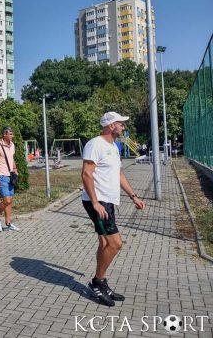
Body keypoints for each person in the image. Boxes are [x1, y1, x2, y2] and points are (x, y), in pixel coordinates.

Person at [81, 111, 146, 306]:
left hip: (108, 201)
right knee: (115, 243)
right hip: (98, 202)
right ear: (111, 126)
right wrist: (95, 202)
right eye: (120, 123)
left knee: (104, 243)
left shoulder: (114, 146)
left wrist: (133, 196)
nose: (123, 127)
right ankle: (97, 282)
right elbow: (86, 174)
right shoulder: (95, 144)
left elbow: (118, 174)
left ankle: (101, 283)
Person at [0, 127, 20, 232]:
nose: (12, 136)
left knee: (10, 200)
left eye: (12, 134)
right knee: (6, 200)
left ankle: (8, 223)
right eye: (10, 134)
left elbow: (11, 158)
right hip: (2, 176)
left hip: (11, 175)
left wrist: (15, 169)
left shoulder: (12, 145)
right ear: (5, 135)